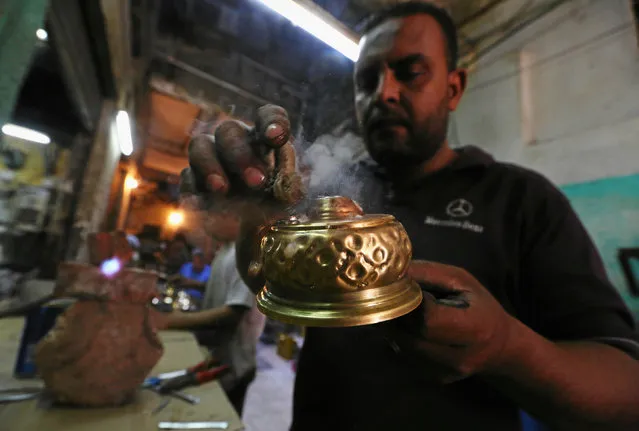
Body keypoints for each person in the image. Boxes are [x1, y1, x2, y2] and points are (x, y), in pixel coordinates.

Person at [180, 2, 639, 430]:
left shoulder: (521, 199)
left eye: (411, 73)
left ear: (454, 88)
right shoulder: (325, 189)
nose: (385, 93)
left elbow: (625, 385)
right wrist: (256, 213)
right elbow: (268, 285)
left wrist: (506, 348)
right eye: (366, 80)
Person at [164, 206, 266, 417]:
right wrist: (193, 283)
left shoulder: (248, 253)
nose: (205, 221)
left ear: (234, 216)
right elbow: (225, 288)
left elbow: (232, 313)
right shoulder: (226, 250)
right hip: (218, 356)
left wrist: (172, 320)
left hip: (235, 364)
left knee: (223, 416)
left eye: (211, 215)